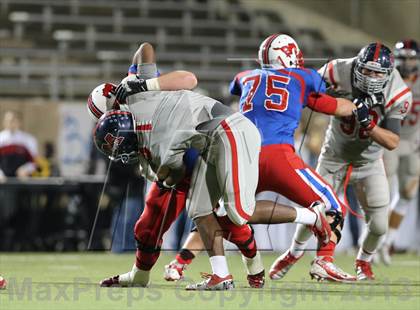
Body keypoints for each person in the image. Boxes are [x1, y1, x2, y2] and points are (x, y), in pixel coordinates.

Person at [164, 34, 357, 282]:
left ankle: (179, 263)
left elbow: (257, 92)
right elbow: (334, 105)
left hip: (241, 155)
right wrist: (358, 107)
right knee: (333, 207)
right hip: (278, 155)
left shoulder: (245, 77)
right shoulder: (304, 76)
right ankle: (324, 260)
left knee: (223, 214)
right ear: (288, 56)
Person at [92, 43, 265, 290]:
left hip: (218, 140)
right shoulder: (137, 102)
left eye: (110, 114)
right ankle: (217, 275)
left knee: (236, 215)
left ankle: (306, 216)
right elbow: (145, 50)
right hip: (201, 147)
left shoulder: (140, 101)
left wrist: (143, 83)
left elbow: (186, 78)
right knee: (163, 220)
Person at [273, 42, 412, 281]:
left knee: (379, 225)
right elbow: (305, 92)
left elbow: (392, 141)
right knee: (314, 210)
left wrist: (368, 123)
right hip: (333, 155)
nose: (371, 77)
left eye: (378, 72)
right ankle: (293, 253)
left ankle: (363, 261)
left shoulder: (398, 93)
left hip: (369, 162)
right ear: (357, 65)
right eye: (366, 70)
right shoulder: (337, 70)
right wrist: (333, 106)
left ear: (388, 74)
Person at [377, 39, 420, 264]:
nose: (407, 61)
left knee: (407, 193)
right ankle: (374, 241)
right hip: (390, 141)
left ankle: (388, 242)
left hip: (413, 144)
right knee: (381, 193)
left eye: (412, 56)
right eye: (403, 56)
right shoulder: (387, 78)